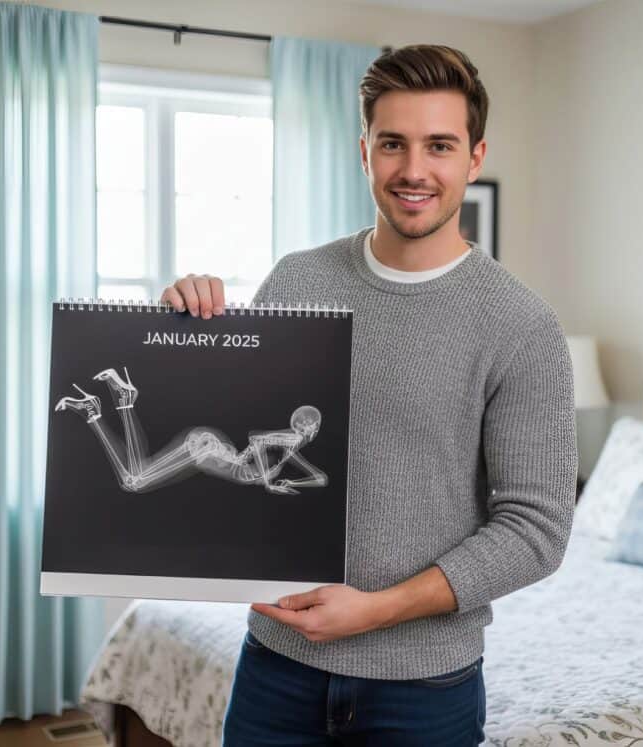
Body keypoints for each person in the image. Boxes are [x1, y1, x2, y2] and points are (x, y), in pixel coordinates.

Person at [160, 44, 577, 747]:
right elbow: (227, 450)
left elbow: (537, 530)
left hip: (426, 691)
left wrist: (376, 610)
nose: (414, 169)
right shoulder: (296, 282)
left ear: (475, 157)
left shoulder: (521, 325)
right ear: (364, 152)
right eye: (393, 144)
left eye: (439, 145)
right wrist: (177, 330)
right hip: (276, 664)